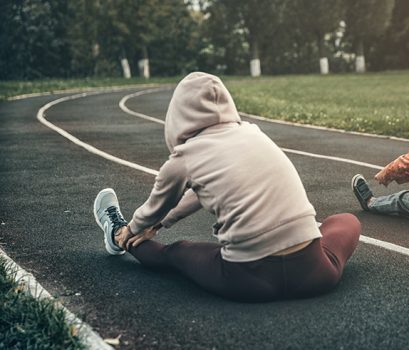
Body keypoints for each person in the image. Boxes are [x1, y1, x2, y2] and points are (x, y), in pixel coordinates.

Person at [94, 72, 361, 302]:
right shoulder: (253, 133)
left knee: (175, 253)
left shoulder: (185, 157)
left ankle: (118, 235)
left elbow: (156, 206)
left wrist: (136, 227)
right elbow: (198, 194)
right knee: (346, 220)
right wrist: (163, 222)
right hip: (314, 273)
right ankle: (298, 235)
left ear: (177, 116)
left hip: (247, 280)